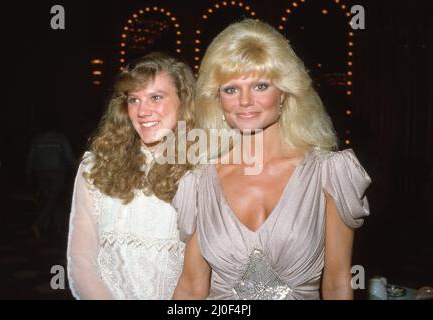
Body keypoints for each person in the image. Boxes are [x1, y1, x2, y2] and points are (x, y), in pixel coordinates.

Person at [172, 20, 372, 300]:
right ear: (217, 100)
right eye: (231, 89)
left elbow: (338, 284)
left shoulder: (329, 173)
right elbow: (192, 287)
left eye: (260, 86)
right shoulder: (199, 183)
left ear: (284, 93)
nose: (244, 101)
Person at [67, 52, 195, 299]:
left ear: (184, 101)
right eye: (134, 100)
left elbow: (199, 279)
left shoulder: (202, 171)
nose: (142, 111)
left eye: (156, 97)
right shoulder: (95, 167)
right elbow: (81, 262)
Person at [26, 124, 75, 237]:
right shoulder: (60, 138)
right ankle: (39, 223)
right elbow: (69, 156)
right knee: (53, 200)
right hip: (57, 172)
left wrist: (29, 173)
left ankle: (60, 226)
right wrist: (74, 166)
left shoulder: (37, 139)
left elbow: (31, 157)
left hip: (41, 172)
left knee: (52, 200)